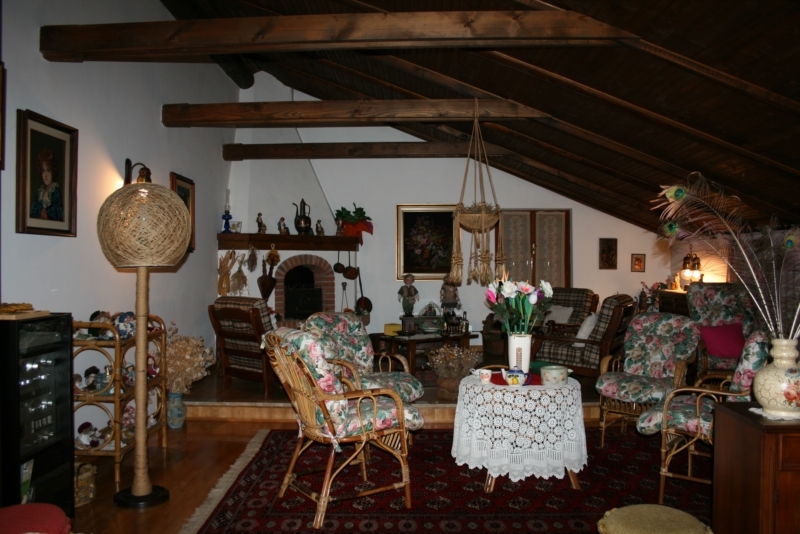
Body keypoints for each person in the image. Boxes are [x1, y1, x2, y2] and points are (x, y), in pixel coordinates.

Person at [29, 148, 64, 221]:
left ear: (52, 172)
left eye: (48, 170)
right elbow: (33, 212)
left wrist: (48, 213)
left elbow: (59, 213)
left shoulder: (55, 192)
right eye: (43, 170)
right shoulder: (40, 192)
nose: (45, 175)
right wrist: (40, 213)